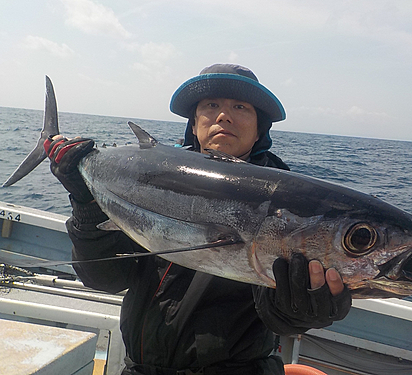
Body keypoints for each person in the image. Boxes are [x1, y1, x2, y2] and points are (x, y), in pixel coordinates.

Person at [44, 64, 352, 375]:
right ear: (194, 125)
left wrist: (303, 307)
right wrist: (86, 204)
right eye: (211, 106)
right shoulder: (151, 176)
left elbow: (274, 315)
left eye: (240, 107)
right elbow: (105, 279)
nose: (224, 116)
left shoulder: (286, 203)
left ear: (260, 130)